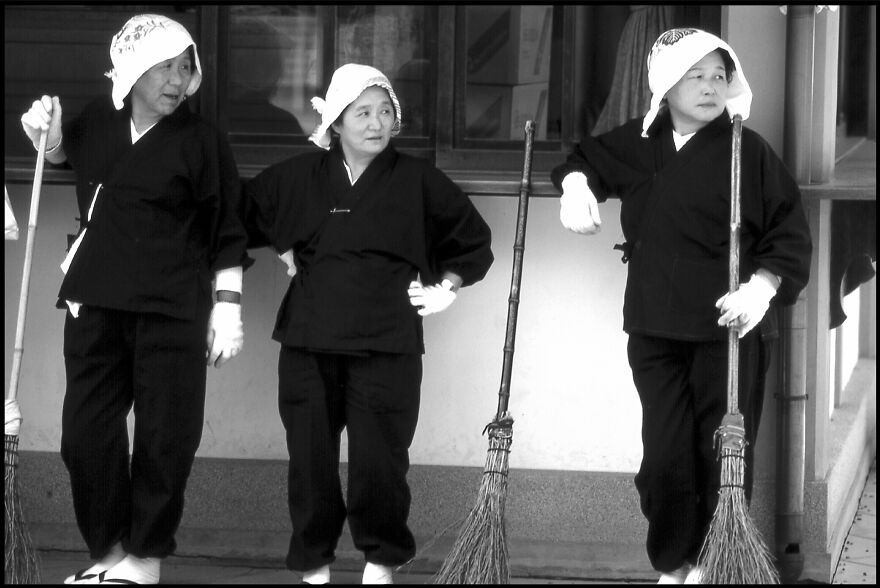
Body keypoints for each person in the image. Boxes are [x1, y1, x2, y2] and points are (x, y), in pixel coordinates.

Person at [551, 29, 812, 584]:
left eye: (719, 75)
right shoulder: (639, 141)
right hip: (655, 325)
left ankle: (715, 563)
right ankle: (675, 563)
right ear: (666, 85)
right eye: (695, 76)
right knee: (665, 453)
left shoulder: (747, 150)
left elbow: (788, 232)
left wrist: (762, 288)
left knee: (722, 452)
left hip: (727, 328)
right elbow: (584, 159)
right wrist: (575, 186)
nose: (710, 86)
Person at [19, 14, 250, 585]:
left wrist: (228, 305)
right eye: (163, 67)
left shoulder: (202, 140)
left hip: (172, 305)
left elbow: (226, 227)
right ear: (130, 69)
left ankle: (145, 560)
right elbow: (65, 157)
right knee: (85, 434)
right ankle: (108, 555)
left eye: (185, 67)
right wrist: (45, 134)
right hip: (96, 300)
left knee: (165, 436)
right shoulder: (99, 121)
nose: (176, 80)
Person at [242, 63, 494, 585]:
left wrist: (447, 287)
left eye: (385, 112)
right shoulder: (299, 176)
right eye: (362, 113)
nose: (376, 123)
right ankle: (314, 568)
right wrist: (283, 246)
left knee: (381, 461)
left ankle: (380, 566)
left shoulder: (419, 181)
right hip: (310, 338)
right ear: (335, 122)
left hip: (387, 339)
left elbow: (473, 240)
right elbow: (242, 214)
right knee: (309, 458)